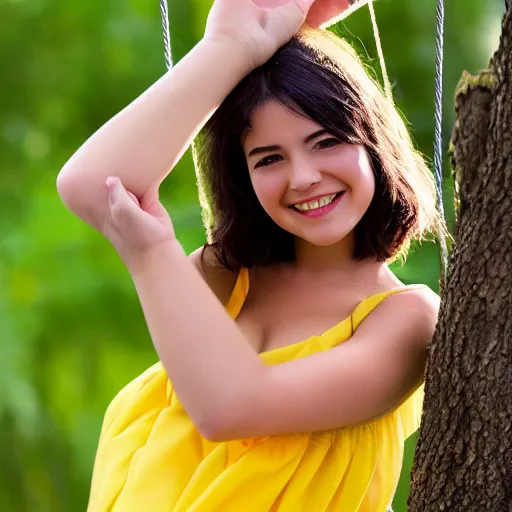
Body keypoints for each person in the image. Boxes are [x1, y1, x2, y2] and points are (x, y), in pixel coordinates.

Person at [57, 0, 443, 510]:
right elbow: (90, 186)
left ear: (374, 144)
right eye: (269, 158)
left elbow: (232, 408)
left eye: (326, 142)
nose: (303, 177)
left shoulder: (407, 319)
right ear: (244, 176)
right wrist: (233, 44)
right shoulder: (228, 277)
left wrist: (151, 254)